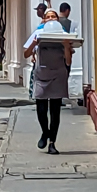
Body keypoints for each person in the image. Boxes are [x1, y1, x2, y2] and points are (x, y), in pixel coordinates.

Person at [24, 9, 72, 155]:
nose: (51, 19)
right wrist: (33, 44)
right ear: (44, 20)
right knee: (41, 108)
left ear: (58, 19)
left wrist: (66, 46)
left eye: (53, 17)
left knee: (55, 111)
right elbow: (26, 54)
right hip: (41, 75)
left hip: (58, 75)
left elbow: (68, 61)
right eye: (48, 17)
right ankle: (45, 132)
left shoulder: (64, 35)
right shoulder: (38, 33)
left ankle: (52, 143)